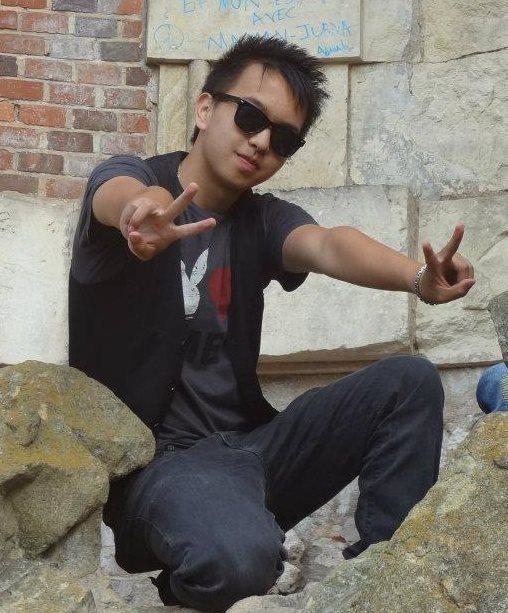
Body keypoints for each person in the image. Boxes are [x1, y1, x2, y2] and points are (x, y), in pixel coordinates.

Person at [69, 36, 476, 611]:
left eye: (283, 139)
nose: (261, 142)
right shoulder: (135, 180)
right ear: (205, 108)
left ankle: (387, 577)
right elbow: (119, 192)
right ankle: (197, 568)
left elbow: (328, 245)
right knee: (240, 561)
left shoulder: (260, 220)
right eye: (250, 117)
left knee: (409, 382)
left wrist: (417, 278)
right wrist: (140, 213)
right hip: (160, 467)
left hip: (254, 449)